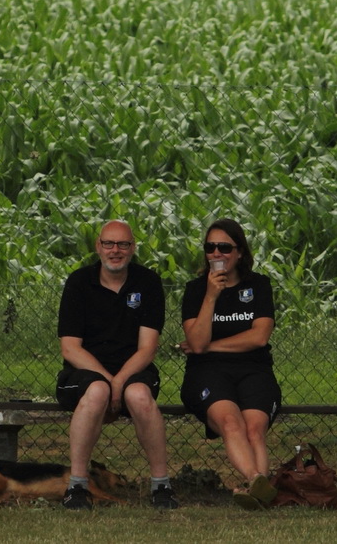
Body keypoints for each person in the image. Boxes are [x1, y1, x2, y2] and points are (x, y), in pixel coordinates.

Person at [56, 220, 178, 510]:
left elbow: (148, 348)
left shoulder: (147, 282)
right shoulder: (79, 282)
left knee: (139, 395)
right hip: (85, 371)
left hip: (133, 369)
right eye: (109, 244)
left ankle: (161, 486)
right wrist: (109, 382)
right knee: (97, 391)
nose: (115, 250)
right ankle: (77, 486)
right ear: (98, 247)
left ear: (132, 248)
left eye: (123, 244)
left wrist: (120, 381)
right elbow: (70, 348)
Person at [180, 218, 282, 510]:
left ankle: (255, 491)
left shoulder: (258, 286)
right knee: (230, 422)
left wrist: (210, 346)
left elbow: (259, 337)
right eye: (210, 247)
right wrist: (211, 296)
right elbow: (196, 342)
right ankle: (257, 480)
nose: (216, 253)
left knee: (254, 429)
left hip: (253, 368)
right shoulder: (196, 290)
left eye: (224, 248)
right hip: (207, 371)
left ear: (239, 253)